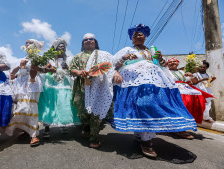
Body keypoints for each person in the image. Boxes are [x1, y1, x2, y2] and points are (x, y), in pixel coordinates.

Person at [111, 24, 197, 157]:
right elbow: (114, 64)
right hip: (134, 83)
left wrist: (161, 59)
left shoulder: (151, 51)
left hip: (154, 83)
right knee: (140, 106)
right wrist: (125, 58)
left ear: (145, 37)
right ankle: (143, 136)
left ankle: (146, 139)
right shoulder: (127, 49)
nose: (138, 36)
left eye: (141, 34)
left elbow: (162, 66)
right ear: (132, 39)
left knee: (148, 105)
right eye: (135, 35)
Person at [69, 33, 118, 148]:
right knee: (82, 108)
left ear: (95, 42)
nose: (88, 41)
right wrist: (80, 72)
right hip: (82, 86)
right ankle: (87, 126)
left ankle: (94, 136)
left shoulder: (103, 55)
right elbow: (71, 70)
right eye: (86, 39)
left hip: (100, 86)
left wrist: (116, 73)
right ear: (83, 43)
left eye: (91, 39)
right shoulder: (77, 56)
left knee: (97, 109)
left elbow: (112, 66)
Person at [4, 39, 44, 147]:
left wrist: (35, 67)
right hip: (20, 85)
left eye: (30, 43)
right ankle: (25, 131)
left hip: (33, 83)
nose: (27, 44)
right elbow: (13, 73)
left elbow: (46, 69)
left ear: (35, 46)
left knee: (30, 108)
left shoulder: (39, 58)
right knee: (20, 108)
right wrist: (19, 66)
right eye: (26, 43)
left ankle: (34, 135)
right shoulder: (24, 58)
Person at [38, 38, 80, 138]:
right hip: (51, 84)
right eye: (60, 46)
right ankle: (47, 128)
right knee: (49, 105)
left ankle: (63, 124)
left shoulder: (69, 59)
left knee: (64, 104)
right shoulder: (49, 59)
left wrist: (67, 69)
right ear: (55, 48)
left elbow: (73, 71)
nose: (62, 48)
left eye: (64, 46)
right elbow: (43, 70)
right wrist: (49, 69)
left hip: (64, 83)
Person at [167, 58, 214, 126]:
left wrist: (191, 76)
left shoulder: (182, 72)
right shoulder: (166, 71)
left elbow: (194, 82)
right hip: (174, 90)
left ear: (178, 63)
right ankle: (179, 125)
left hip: (186, 89)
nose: (172, 63)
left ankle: (191, 120)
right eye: (170, 62)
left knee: (200, 100)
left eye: (174, 61)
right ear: (167, 64)